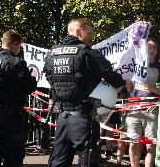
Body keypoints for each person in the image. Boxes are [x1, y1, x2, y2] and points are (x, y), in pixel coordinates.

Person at [43, 18, 124, 167]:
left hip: (62, 117)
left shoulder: (52, 54)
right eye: (90, 32)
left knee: (58, 161)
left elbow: (49, 78)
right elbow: (115, 79)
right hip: (84, 117)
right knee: (87, 162)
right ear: (79, 31)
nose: (93, 36)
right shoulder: (88, 53)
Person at [0, 30, 37, 166]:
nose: (20, 50)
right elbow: (30, 86)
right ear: (14, 44)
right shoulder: (15, 62)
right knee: (14, 154)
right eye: (20, 46)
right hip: (13, 114)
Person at [126, 37, 160, 167]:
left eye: (154, 47)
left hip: (152, 110)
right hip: (134, 108)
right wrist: (128, 84)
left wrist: (151, 88)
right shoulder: (134, 64)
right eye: (149, 47)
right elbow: (129, 88)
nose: (152, 49)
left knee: (150, 144)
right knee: (134, 142)